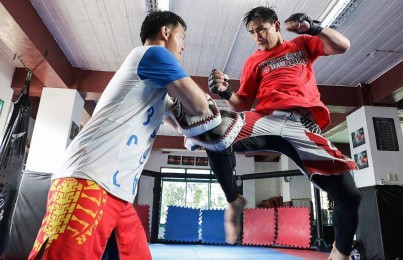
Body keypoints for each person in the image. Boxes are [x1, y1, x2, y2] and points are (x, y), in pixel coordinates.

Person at [29, 10, 213, 259]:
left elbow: (185, 126)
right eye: (181, 39)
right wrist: (208, 105)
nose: (182, 48)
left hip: (119, 194)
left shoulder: (158, 89)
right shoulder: (152, 53)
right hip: (88, 180)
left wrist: (199, 130)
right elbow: (199, 106)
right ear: (165, 32)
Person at [206, 6, 362, 260]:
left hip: (301, 123)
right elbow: (242, 103)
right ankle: (233, 199)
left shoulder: (301, 44)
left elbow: (343, 45)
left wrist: (314, 28)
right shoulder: (253, 61)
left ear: (276, 26)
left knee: (349, 195)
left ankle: (341, 253)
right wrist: (224, 92)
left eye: (261, 29)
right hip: (266, 119)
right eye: (252, 32)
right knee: (212, 132)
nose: (257, 36)